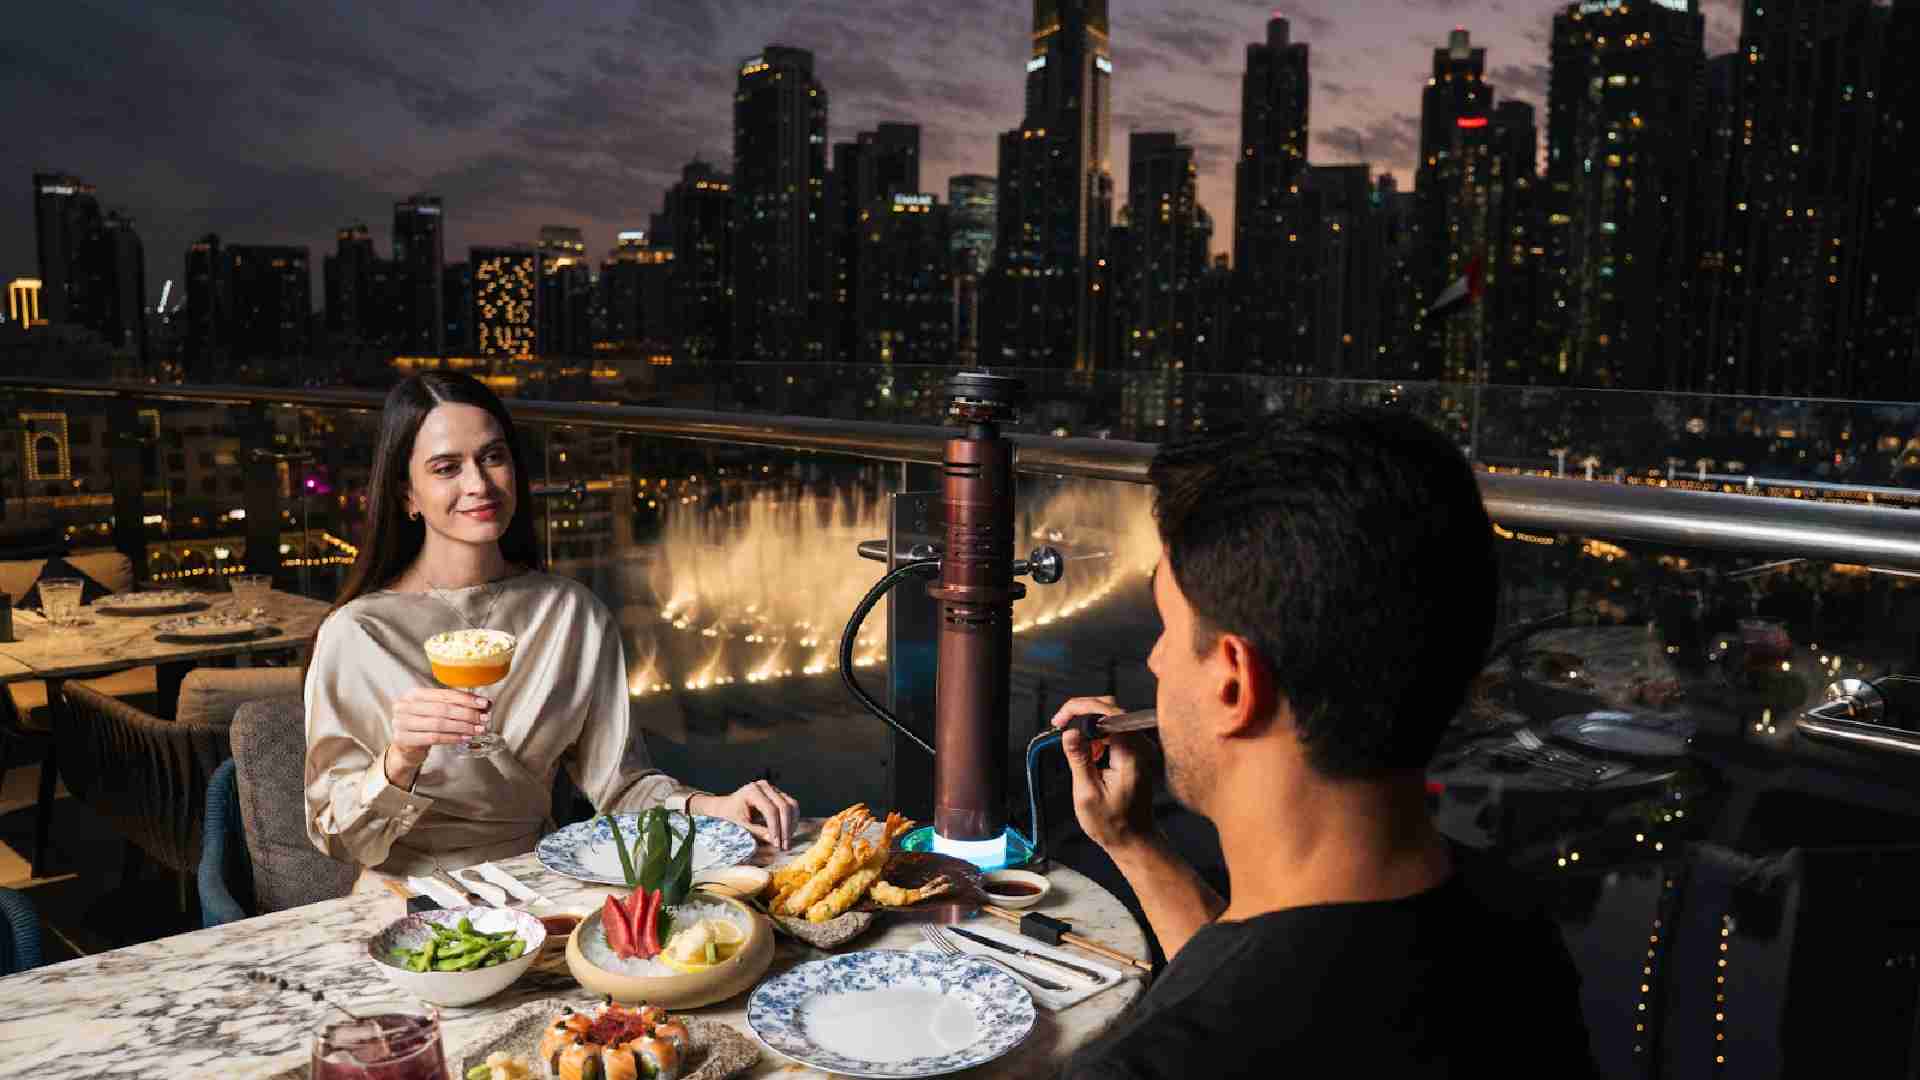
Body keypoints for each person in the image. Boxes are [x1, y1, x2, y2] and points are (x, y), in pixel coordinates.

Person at [1054, 409, 1592, 1077]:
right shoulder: (1513, 934)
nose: (1158, 661)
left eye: (1166, 626)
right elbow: (1281, 977)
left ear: (1233, 682)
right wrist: (1134, 845)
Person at [305, 372, 799, 879]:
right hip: (409, 907)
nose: (478, 484)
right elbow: (337, 839)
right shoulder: (357, 634)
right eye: (446, 467)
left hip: (541, 890)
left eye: (493, 457)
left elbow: (621, 787)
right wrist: (401, 758)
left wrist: (712, 807)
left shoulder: (572, 614)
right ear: (407, 494)